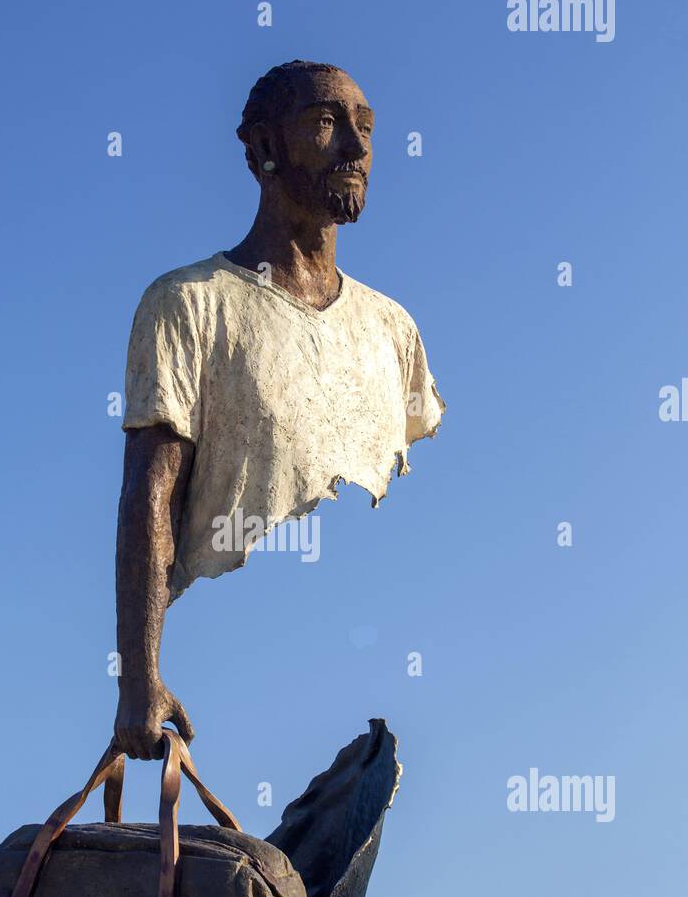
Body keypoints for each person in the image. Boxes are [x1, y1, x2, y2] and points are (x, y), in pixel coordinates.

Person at [112, 59, 444, 762]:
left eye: (366, 128)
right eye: (326, 123)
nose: (355, 149)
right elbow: (150, 492)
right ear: (262, 146)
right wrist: (140, 679)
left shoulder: (395, 331)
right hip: (227, 701)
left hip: (390, 702)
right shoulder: (189, 304)